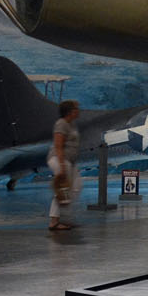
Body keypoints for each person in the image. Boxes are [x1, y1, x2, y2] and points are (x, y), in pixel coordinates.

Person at [47, 99, 81, 231]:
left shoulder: (71, 124)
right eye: (76, 109)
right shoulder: (61, 124)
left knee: (76, 186)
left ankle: (65, 217)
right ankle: (54, 221)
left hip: (69, 161)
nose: (78, 111)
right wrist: (61, 167)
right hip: (59, 159)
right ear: (70, 112)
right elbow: (58, 146)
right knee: (62, 190)